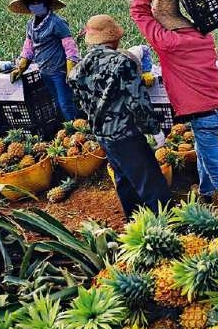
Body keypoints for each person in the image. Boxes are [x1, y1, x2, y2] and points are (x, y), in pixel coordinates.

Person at [131, 0, 218, 200]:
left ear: (166, 24)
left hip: (204, 116)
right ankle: (206, 192)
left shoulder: (169, 44)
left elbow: (138, 12)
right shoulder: (204, 37)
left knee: (217, 167)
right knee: (204, 154)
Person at [69, 14, 172, 216]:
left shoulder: (79, 68)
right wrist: (154, 130)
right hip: (126, 134)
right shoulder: (121, 62)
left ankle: (134, 220)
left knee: (123, 178)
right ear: (112, 38)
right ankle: (166, 224)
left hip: (103, 135)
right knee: (150, 181)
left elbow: (82, 104)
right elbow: (137, 101)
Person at [8, 0, 80, 122]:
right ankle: (67, 128)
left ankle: (77, 130)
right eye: (31, 3)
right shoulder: (31, 25)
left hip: (59, 71)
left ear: (45, 3)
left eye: (38, 2)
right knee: (57, 102)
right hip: (44, 71)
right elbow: (28, 47)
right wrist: (21, 67)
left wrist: (70, 70)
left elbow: (70, 48)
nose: (35, 5)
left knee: (65, 103)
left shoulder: (57, 22)